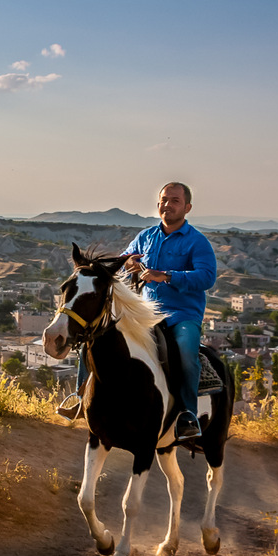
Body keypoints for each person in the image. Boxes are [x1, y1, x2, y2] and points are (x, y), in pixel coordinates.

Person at [58, 182, 218, 440]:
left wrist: (166, 276)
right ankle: (80, 398)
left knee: (187, 353)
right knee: (95, 339)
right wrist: (127, 264)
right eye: (164, 199)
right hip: (144, 313)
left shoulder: (197, 242)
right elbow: (117, 267)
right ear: (158, 205)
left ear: (187, 207)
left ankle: (187, 414)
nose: (168, 204)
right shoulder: (144, 237)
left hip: (181, 315)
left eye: (175, 201)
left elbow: (206, 277)